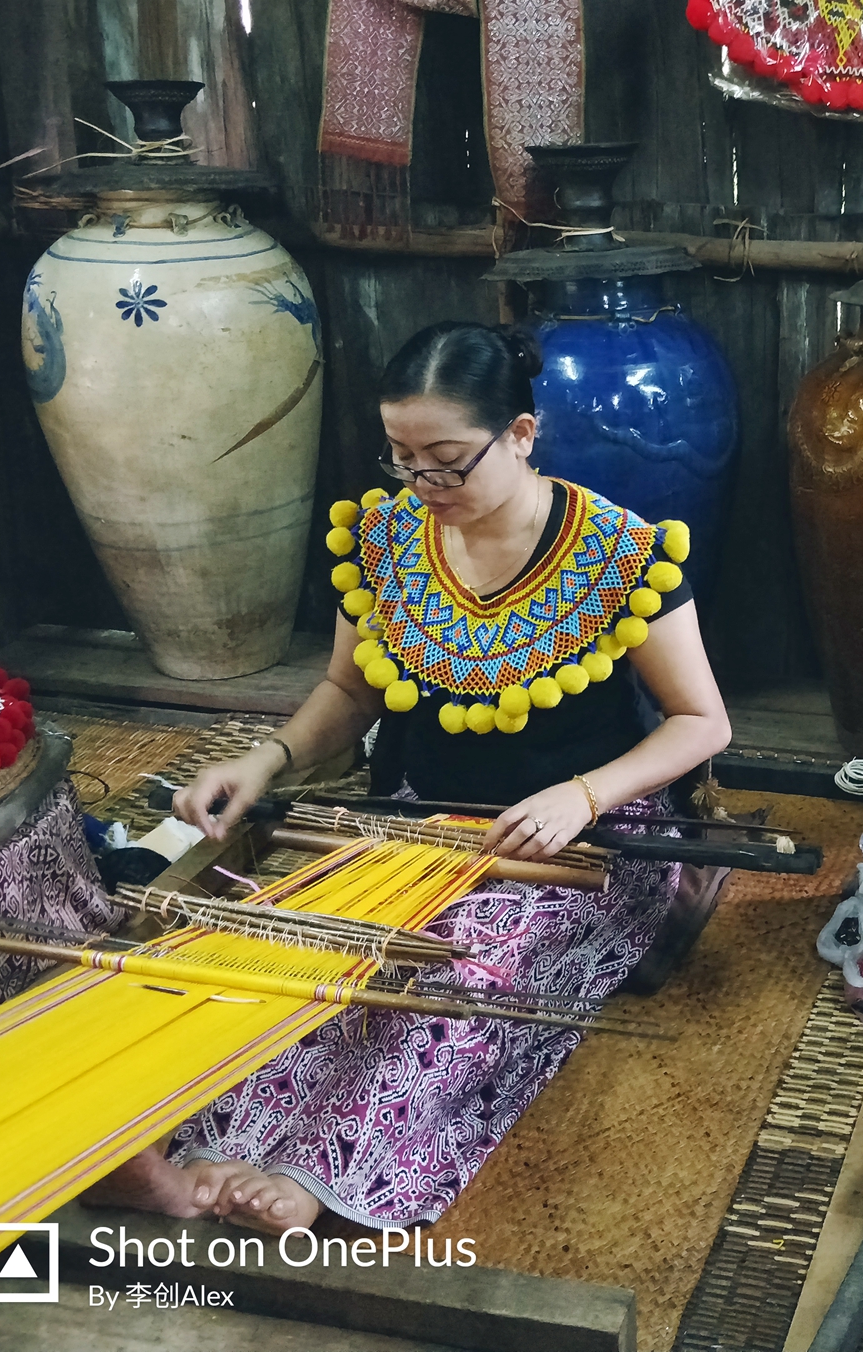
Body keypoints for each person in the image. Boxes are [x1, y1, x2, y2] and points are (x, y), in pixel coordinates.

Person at [89, 321, 730, 1233]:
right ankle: (216, 1141)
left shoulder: (621, 554)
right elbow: (350, 689)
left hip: (575, 846)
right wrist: (264, 758)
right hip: (410, 828)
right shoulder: (387, 540)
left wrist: (580, 795)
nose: (426, 486)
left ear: (520, 434)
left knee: (457, 976)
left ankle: (331, 1169)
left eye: (449, 461)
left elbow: (702, 721)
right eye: (403, 460)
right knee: (301, 949)